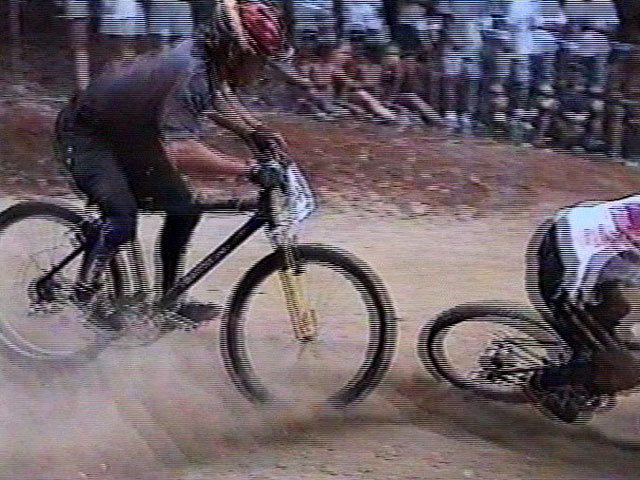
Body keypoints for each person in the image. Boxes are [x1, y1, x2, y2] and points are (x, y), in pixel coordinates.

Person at [54, 0, 287, 331]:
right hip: (87, 136)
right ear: (235, 50)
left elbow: (215, 97)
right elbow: (181, 151)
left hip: (128, 134)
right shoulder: (190, 72)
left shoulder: (207, 61)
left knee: (185, 208)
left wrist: (254, 131)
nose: (260, 70)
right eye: (257, 60)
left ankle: (169, 301)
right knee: (122, 216)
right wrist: (249, 169)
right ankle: (84, 292)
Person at [527, 195, 640, 422]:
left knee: (617, 310)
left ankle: (594, 355)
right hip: (569, 272)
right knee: (624, 373)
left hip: (602, 254)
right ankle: (544, 383)